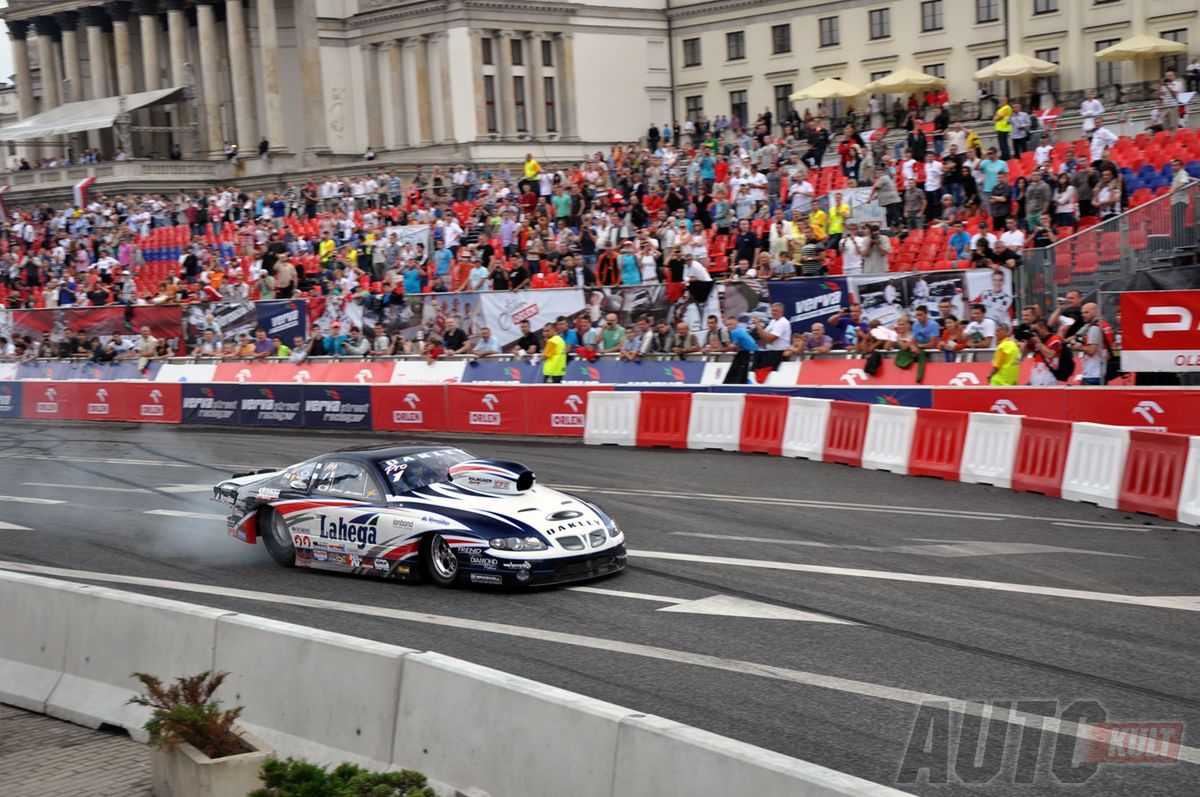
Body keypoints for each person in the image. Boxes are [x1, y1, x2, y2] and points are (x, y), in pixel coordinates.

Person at [1071, 302, 1108, 386]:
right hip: (1100, 371)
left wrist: (1080, 347)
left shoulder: (1094, 328)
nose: (1083, 315)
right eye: (1082, 313)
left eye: (1087, 312)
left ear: (1096, 313)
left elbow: (1092, 351)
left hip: (1093, 373)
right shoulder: (1103, 324)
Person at [722, 316, 759, 384]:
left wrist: (724, 342)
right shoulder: (740, 330)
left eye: (730, 324)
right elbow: (737, 347)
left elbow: (733, 347)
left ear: (736, 324)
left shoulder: (735, 332)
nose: (728, 327)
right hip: (751, 353)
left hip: (750, 354)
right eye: (727, 325)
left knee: (741, 372)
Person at [993, 96, 1013, 161]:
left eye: (1003, 100)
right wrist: (996, 118)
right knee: (1002, 146)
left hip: (1004, 129)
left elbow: (999, 117)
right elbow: (994, 118)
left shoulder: (1006, 107)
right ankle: (1005, 159)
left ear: (1006, 100)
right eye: (1000, 100)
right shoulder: (1000, 109)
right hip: (1000, 129)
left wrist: (996, 117)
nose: (1001, 101)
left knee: (1004, 147)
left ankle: (1007, 160)